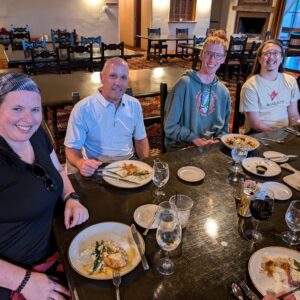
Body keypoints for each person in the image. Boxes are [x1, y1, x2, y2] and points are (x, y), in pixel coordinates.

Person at [0, 73, 89, 300]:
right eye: (17, 108)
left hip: (57, 245)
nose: (28, 118)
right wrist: (24, 281)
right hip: (17, 276)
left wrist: (71, 197)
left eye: (35, 109)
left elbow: (58, 171)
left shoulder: (37, 134)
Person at [64, 57, 150, 177]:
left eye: (123, 77)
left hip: (128, 164)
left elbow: (141, 140)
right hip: (97, 167)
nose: (118, 83)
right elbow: (71, 148)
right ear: (101, 77)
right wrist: (80, 163)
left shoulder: (134, 105)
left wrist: (146, 164)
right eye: (113, 76)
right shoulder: (83, 109)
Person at [164, 35, 231, 151]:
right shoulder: (184, 84)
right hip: (184, 145)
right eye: (208, 53)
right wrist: (195, 140)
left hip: (211, 146)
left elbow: (224, 129)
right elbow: (170, 126)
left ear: (223, 58)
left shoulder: (224, 92)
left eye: (218, 55)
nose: (212, 60)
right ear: (201, 54)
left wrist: (217, 141)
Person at [240, 39, 300, 133]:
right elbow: (255, 124)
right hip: (259, 134)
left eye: (275, 53)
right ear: (259, 59)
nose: (271, 57)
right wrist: (278, 135)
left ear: (281, 58)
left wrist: (294, 133)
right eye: (267, 53)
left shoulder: (291, 81)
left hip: (285, 133)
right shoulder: (250, 86)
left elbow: (293, 115)